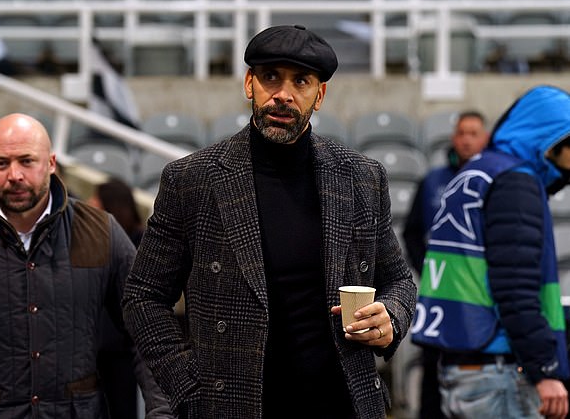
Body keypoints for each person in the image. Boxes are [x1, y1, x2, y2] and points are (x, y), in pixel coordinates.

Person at [122, 24, 417, 419]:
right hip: (233, 406)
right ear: (249, 84)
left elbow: (399, 280)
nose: (283, 94)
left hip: (344, 403)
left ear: (320, 94)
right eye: (270, 77)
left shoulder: (362, 178)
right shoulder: (192, 180)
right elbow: (142, 296)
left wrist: (391, 317)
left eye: (301, 81)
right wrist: (190, 386)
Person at [0, 113, 170, 418]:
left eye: (26, 161)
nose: (15, 175)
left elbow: (147, 331)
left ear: (51, 163)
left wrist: (163, 411)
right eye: (1, 163)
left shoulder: (101, 233)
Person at [411, 85, 570, 419]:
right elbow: (515, 286)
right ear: (552, 140)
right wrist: (544, 367)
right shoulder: (516, 181)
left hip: (464, 367)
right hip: (500, 374)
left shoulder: (480, 170)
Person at [403, 111, 489, 419]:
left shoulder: (494, 181)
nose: (466, 139)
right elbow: (411, 232)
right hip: (439, 294)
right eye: (461, 133)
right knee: (433, 365)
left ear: (485, 139)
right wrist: (427, 268)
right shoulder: (432, 181)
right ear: (454, 138)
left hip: (480, 295)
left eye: (473, 133)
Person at [86, 178, 145, 419]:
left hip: (123, 349)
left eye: (96, 200)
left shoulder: (141, 242)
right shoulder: (91, 242)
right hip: (94, 352)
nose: (89, 204)